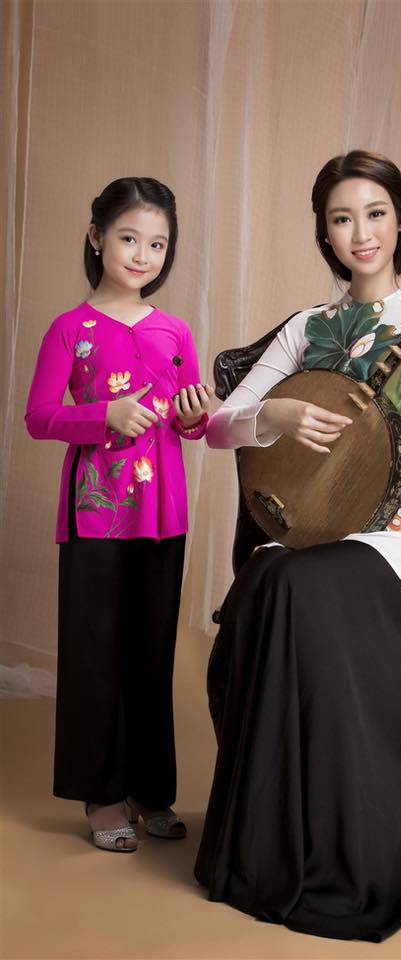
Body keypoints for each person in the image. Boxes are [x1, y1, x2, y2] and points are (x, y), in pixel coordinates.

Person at [195, 150, 401, 940]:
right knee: (269, 581)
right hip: (319, 528)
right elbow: (218, 427)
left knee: (294, 587)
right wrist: (274, 416)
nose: (362, 232)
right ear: (324, 232)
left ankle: (349, 845)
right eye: (342, 218)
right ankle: (279, 842)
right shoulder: (307, 328)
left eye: (375, 213)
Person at [25, 177, 213, 852]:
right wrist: (103, 414)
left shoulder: (174, 330)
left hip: (163, 514)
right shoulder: (68, 329)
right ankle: (101, 797)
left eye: (157, 244)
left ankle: (150, 791)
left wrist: (195, 415)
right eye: (130, 238)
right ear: (96, 236)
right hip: (95, 514)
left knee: (152, 653)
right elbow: (39, 417)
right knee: (94, 655)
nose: (142, 255)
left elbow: (191, 424)